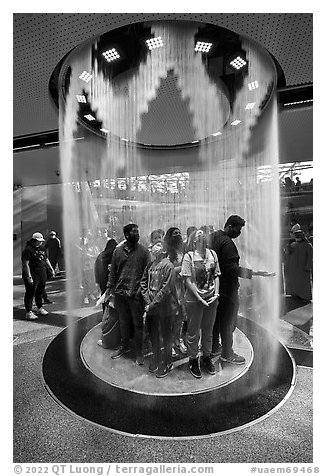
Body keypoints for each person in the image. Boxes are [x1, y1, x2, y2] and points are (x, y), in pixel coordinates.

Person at [209, 215, 275, 365]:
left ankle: (214, 347)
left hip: (215, 288)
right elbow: (232, 269)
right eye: (239, 229)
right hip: (228, 289)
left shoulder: (214, 237)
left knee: (216, 320)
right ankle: (227, 353)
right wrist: (256, 273)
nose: (240, 232)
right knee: (228, 322)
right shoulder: (227, 243)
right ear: (230, 226)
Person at [104, 224, 150, 365]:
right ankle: (124, 346)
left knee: (137, 324)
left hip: (136, 294)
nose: (137, 234)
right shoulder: (118, 252)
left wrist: (143, 292)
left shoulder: (143, 251)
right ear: (126, 235)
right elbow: (113, 273)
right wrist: (108, 291)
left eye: (138, 231)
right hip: (120, 293)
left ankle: (139, 352)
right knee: (123, 322)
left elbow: (147, 273)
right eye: (134, 232)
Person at [181, 229, 220, 379]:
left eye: (203, 234)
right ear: (194, 240)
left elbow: (216, 275)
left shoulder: (213, 254)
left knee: (208, 330)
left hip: (211, 298)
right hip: (194, 300)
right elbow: (187, 280)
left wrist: (216, 293)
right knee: (193, 331)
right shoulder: (189, 256)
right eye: (198, 234)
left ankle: (206, 356)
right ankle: (192, 359)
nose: (201, 234)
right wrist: (199, 297)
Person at [140, 240, 176, 378]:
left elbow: (166, 289)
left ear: (164, 249)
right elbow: (144, 282)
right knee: (154, 335)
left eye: (159, 245)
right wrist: (147, 300)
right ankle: (156, 358)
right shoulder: (150, 265)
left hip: (165, 309)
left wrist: (152, 304)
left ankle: (167, 362)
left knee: (166, 336)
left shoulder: (168, 266)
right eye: (154, 244)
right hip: (151, 308)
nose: (155, 247)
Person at [164, 227, 187, 356]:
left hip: (182, 287)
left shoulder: (183, 250)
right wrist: (182, 269)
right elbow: (167, 271)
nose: (177, 235)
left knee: (181, 317)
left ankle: (177, 341)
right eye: (175, 233)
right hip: (171, 289)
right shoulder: (166, 253)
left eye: (179, 233)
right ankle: (169, 344)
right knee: (171, 317)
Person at [21, 232, 56, 320]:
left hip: (42, 272)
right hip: (32, 273)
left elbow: (46, 259)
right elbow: (26, 264)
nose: (40, 243)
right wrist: (29, 277)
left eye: (41, 241)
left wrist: (51, 269)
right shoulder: (28, 250)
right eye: (39, 241)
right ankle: (29, 311)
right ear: (34, 240)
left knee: (40, 291)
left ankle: (39, 307)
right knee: (30, 292)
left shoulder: (42, 248)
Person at [284, 228, 313, 302]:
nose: (297, 238)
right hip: (293, 268)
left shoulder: (308, 245)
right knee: (294, 281)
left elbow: (310, 257)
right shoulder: (293, 245)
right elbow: (288, 256)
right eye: (296, 237)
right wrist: (288, 249)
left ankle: (304, 296)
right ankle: (294, 294)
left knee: (304, 282)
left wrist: (308, 266)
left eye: (299, 237)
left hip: (303, 268)